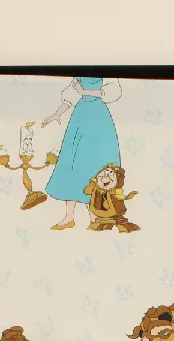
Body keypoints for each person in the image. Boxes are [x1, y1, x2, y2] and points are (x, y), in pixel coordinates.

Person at [41, 78, 124, 230]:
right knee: (72, 162)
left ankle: (94, 216)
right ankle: (69, 217)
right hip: (80, 117)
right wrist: (56, 115)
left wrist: (83, 91)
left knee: (94, 164)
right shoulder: (78, 74)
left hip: (98, 119)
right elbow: (71, 95)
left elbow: (112, 92)